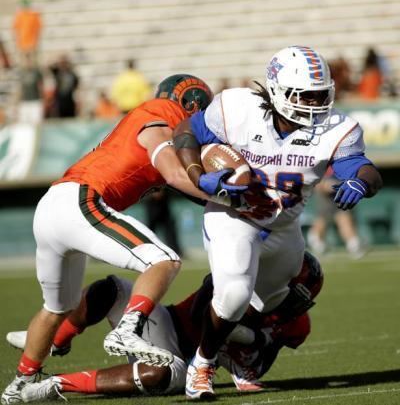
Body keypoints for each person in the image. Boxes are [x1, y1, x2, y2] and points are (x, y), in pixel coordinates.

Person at [1, 73, 238, 405]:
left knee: (56, 309)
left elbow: (177, 180)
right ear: (189, 103)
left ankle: (18, 386)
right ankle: (128, 326)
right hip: (80, 200)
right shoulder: (163, 113)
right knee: (163, 260)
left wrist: (216, 194)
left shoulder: (151, 121)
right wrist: (230, 196)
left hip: (55, 206)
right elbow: (173, 173)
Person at [173, 45, 383, 399]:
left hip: (284, 225)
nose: (316, 105)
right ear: (278, 91)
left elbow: (362, 167)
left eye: (321, 95)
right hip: (233, 215)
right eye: (306, 95)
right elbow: (186, 132)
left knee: (269, 307)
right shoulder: (237, 108)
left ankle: (238, 350)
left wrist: (361, 181)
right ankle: (203, 364)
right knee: (236, 293)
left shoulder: (338, 128)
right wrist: (197, 174)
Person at [7, 252, 323, 401]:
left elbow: (260, 367)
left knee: (160, 372)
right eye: (292, 293)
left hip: (183, 363)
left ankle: (56, 384)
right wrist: (250, 335)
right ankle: (50, 342)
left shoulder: (297, 324)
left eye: (300, 298)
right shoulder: (237, 279)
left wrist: (259, 347)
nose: (294, 304)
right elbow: (204, 315)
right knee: (112, 288)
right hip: (170, 327)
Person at [307, 172, 366, 259]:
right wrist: (325, 185)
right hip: (325, 191)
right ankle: (316, 242)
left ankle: (354, 245)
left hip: (340, 189)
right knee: (323, 218)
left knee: (343, 216)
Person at [12, 0, 42, 64]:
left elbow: (38, 29)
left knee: (32, 60)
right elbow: (16, 30)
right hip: (23, 42)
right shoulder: (19, 15)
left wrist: (35, 41)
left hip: (31, 42)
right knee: (25, 60)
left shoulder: (34, 15)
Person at [16, 55, 44, 125]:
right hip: (24, 101)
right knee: (24, 123)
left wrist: (42, 99)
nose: (28, 63)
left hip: (35, 100)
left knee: (36, 122)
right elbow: (20, 88)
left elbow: (40, 86)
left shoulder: (36, 72)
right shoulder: (21, 73)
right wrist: (17, 101)